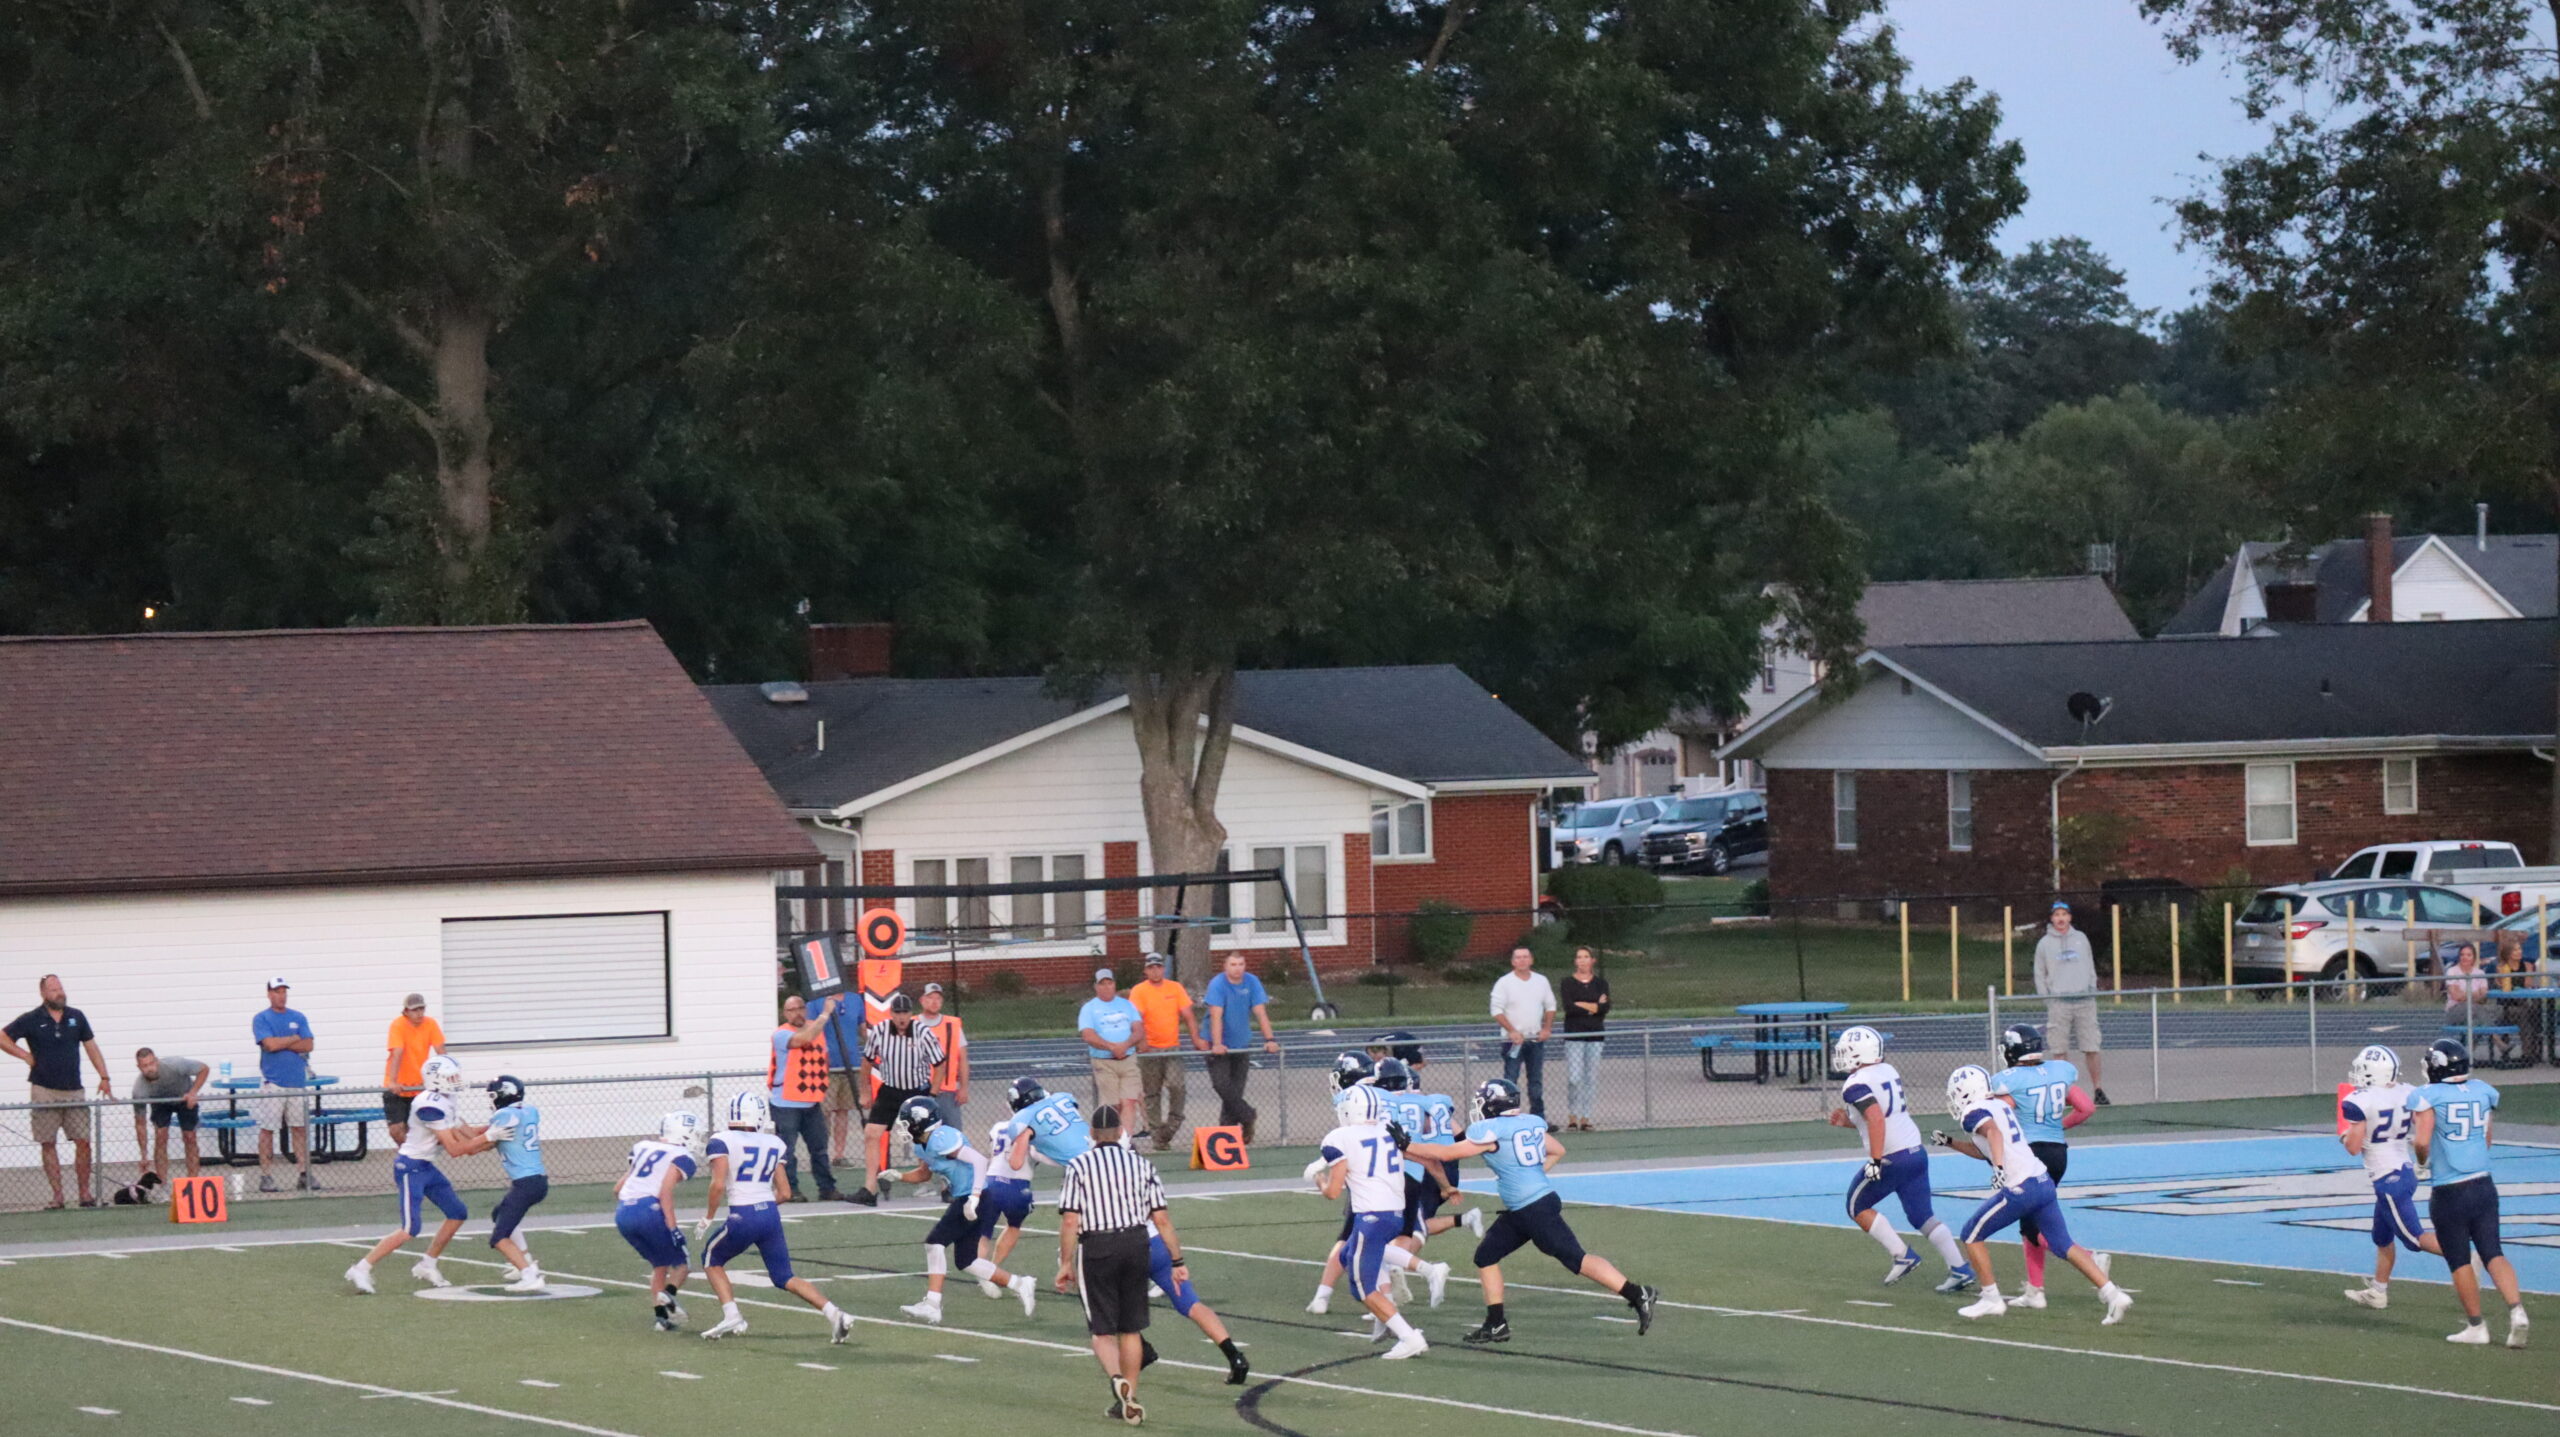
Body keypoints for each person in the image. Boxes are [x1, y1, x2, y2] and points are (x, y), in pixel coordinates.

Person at [1406, 1076, 1656, 1345]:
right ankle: (1496, 1323)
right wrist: (1534, 1175)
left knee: (1576, 1259)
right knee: (1486, 1255)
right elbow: (1557, 1150)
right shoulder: (1527, 1123)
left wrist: (1405, 1145)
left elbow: (1445, 1154)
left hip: (1533, 1209)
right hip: (1526, 1207)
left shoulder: (1493, 1130)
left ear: (1492, 1104)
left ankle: (1637, 1293)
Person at [1939, 1065, 2132, 1324]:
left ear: (1965, 1091)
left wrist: (1999, 1168)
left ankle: (1991, 1299)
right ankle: (2114, 1294)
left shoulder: (1973, 1112)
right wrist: (1949, 1142)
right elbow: (1985, 1148)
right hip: (2042, 1181)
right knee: (2063, 1245)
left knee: (1971, 1235)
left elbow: (1993, 1134)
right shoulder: (1999, 1106)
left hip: (2022, 1188)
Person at [1056, 1104, 1186, 1424]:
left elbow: (1071, 1219)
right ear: (1119, 1133)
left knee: (1102, 1330)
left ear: (1092, 1134)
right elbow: (1162, 1218)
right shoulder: (1142, 1164)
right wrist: (1177, 1260)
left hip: (1098, 1244)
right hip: (1136, 1243)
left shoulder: (1079, 1165)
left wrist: (1065, 1262)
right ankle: (1131, 1396)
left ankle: (1117, 1380)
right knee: (1131, 1328)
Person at [696, 1092, 857, 1344]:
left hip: (743, 1214)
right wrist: (762, 1206)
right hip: (769, 1215)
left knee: (711, 1259)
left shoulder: (722, 1140)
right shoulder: (772, 1142)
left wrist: (708, 1217)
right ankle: (835, 1313)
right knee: (784, 1276)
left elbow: (717, 1185)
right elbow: (785, 1193)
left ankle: (732, 1315)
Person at [1825, 1025, 1974, 1292]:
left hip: (1892, 1157)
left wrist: (1875, 1160)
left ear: (1859, 1053)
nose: (1842, 1056)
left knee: (1856, 1206)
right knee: (1922, 1216)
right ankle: (1960, 1268)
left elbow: (1876, 1118)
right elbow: (1880, 1115)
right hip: (1915, 1152)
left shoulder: (1855, 1083)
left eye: (1847, 1051)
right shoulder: (1888, 1070)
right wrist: (1848, 1122)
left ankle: (1902, 1254)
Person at [2410, 1038, 2530, 1347]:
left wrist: (2421, 1163)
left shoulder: (2427, 1096)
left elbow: (2421, 1141)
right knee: (2493, 1252)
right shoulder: (2482, 1090)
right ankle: (2517, 1310)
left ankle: (2477, 1326)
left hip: (2449, 1190)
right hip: (2483, 1185)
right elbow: (2486, 1139)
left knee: (2459, 1259)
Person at [885, 1095, 1039, 1324]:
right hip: (970, 1196)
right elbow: (924, 1174)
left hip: (977, 1196)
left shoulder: (942, 1138)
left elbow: (979, 1161)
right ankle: (1019, 1283)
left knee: (934, 1243)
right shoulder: (922, 1144)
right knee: (967, 1261)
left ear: (920, 1122)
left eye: (907, 1122)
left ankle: (932, 1305)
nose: (904, 1127)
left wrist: (974, 1198)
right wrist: (899, 1176)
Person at [343, 1055, 474, 1294]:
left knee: (457, 1213)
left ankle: (427, 1264)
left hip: (426, 1167)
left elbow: (470, 1133)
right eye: (451, 1076)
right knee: (410, 1228)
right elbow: (455, 1149)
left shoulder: (447, 1099)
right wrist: (491, 1138)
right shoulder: (428, 1104)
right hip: (410, 1167)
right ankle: (361, 1268)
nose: (456, 1080)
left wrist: (499, 1128)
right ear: (436, 1079)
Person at [1983, 1023, 2092, 1307]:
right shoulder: (2060, 1071)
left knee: (2032, 1228)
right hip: (2058, 1153)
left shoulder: (2008, 1080)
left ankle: (2086, 1258)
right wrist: (2057, 1127)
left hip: (2030, 1155)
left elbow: (1999, 1113)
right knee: (2033, 1224)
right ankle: (2035, 1291)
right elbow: (2086, 1108)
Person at [2336, 1045, 2441, 1311]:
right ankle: (2378, 1291)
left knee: (2414, 1239)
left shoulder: (2360, 1100)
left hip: (2388, 1180)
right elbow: (2424, 1122)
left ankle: (2466, 1257)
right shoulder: (2408, 1091)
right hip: (2403, 1170)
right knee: (2382, 1236)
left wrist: (2344, 1135)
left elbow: (2353, 1148)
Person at [1, 975, 111, 1208]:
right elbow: (3, 1037)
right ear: (43, 993)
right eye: (53, 989)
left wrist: (104, 1076)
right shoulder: (32, 1018)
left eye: (60, 988)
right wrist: (24, 1055)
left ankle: (85, 1194)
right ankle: (58, 1196)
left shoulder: (76, 1016)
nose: (59, 993)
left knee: (83, 1141)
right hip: (44, 1089)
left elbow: (91, 1046)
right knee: (48, 1142)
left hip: (74, 1090)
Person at [614, 1111, 703, 1330]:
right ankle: (668, 1295)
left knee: (659, 1265)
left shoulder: (643, 1147)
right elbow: (664, 1192)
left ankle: (661, 1319)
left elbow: (618, 1189)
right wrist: (673, 1227)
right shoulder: (682, 1156)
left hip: (623, 1213)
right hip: (649, 1211)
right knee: (682, 1265)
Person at [852, 992, 944, 1205]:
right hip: (890, 1090)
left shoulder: (922, 1032)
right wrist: (865, 1092)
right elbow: (866, 1063)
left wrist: (932, 1094)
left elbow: (940, 1064)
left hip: (916, 1091)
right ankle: (870, 1189)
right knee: (871, 1133)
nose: (901, 1018)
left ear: (911, 1014)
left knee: (928, 1140)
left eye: (905, 1013)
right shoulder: (880, 1031)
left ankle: (946, 1184)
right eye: (897, 1013)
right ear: (891, 1014)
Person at [464, 1074, 549, 1292]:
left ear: (503, 1095)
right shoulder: (529, 1110)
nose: (491, 1100)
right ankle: (525, 1261)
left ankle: (529, 1275)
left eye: (493, 1095)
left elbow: (477, 1147)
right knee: (498, 1213)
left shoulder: (503, 1115)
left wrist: (461, 1137)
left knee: (499, 1238)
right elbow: (486, 1133)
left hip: (526, 1183)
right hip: (537, 1181)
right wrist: (461, 1128)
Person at [1145, 1228, 1252, 1384]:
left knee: (1113, 1303)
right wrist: (1177, 1260)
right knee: (1192, 1304)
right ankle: (1235, 1357)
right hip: (1158, 1244)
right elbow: (1163, 1221)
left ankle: (1141, 1348)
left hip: (1127, 1246)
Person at [768, 992, 844, 1203]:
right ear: (785, 1014)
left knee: (819, 1148)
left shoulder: (815, 1028)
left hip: (811, 1100)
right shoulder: (781, 1034)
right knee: (787, 1150)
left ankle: (827, 1188)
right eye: (792, 1010)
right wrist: (825, 1014)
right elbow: (803, 1039)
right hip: (785, 1102)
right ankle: (789, 1189)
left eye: (800, 1008)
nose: (797, 1013)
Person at [1199, 953, 1279, 1143]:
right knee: (1221, 1084)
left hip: (1241, 1043)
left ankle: (1227, 1135)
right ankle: (1247, 1114)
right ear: (1225, 967)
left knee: (1235, 1090)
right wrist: (1217, 1044)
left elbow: (1260, 1012)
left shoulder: (1252, 982)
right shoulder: (1218, 984)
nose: (1237, 968)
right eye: (1233, 964)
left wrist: (1270, 1039)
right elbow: (1216, 1016)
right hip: (1219, 1043)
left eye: (1241, 964)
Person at [2033, 903, 2107, 1104]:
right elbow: (2040, 974)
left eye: (2064, 914)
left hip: (2084, 1001)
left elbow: (2090, 967)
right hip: (2059, 1003)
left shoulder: (2081, 939)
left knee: (2091, 1046)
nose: (2061, 918)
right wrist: (2047, 999)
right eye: (2057, 915)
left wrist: (2091, 988)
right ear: (2052, 918)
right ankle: (2063, 1093)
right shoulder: (2044, 944)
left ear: (2070, 917)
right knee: (2059, 1049)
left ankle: (2098, 1089)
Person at [251, 977, 318, 1193]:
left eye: (283, 991)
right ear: (269, 994)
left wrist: (283, 1042)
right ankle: (266, 1175)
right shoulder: (262, 1018)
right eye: (277, 991)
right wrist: (293, 1039)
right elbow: (269, 1045)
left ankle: (304, 1173)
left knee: (299, 1128)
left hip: (297, 1082)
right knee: (268, 1129)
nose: (281, 996)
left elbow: (308, 1044)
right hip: (273, 1082)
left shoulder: (298, 1017)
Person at [1129, 954, 1201, 1152]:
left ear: (1163, 969)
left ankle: (1173, 1124)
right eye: (1151, 968)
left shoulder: (1175, 988)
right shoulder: (1139, 991)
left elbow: (1188, 1015)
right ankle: (1157, 1136)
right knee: (1152, 1093)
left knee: (1177, 1085)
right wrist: (1142, 1042)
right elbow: (1136, 1019)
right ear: (1146, 970)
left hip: (1171, 1047)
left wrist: (1196, 1039)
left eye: (1158, 967)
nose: (1155, 971)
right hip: (1150, 1050)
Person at [1488, 945, 1556, 1118]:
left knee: (1535, 1081)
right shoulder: (1504, 983)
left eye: (1525, 957)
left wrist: (1546, 1028)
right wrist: (1511, 1031)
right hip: (1513, 1042)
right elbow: (1496, 1010)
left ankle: (1538, 1117)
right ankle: (1507, 1116)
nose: (1522, 960)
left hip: (1535, 1040)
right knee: (1510, 1080)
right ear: (1513, 962)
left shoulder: (1541, 981)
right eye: (1518, 957)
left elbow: (1550, 1006)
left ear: (1531, 960)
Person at [1079, 968, 1145, 1141]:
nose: (1107, 987)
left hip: (1128, 1059)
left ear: (1114, 984)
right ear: (1096, 987)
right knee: (1113, 1105)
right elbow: (1088, 1035)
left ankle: (1126, 1141)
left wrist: (1125, 1045)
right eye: (1102, 984)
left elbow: (1138, 1030)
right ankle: (1110, 1140)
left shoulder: (1127, 1005)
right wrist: (1111, 1047)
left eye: (1109, 983)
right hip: (1104, 1062)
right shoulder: (1089, 1008)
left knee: (1129, 1101)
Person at [129, 1048, 211, 1182]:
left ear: (156, 1061)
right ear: (139, 1067)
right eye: (145, 1066)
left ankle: (193, 1182)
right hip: (160, 1102)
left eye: (151, 1063)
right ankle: (162, 1182)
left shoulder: (175, 1064)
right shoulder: (139, 1090)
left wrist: (193, 1092)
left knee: (190, 1137)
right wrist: (144, 1155)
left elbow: (204, 1069)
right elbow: (140, 1124)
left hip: (185, 1098)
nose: (150, 1069)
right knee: (161, 1136)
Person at [381, 993, 446, 1145]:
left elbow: (441, 1051)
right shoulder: (398, 1025)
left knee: (420, 1129)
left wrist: (445, 1077)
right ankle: (409, 1154)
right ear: (406, 1011)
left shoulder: (430, 1024)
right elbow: (397, 1052)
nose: (419, 1013)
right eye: (415, 1010)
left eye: (421, 1009)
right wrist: (393, 1081)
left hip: (418, 1087)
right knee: (397, 1130)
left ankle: (416, 1154)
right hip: (398, 1087)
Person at [1557, 948, 1610, 1131]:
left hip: (1595, 1035)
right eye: (1579, 957)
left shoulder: (1600, 984)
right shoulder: (1568, 983)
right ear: (1575, 961)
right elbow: (1569, 1007)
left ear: (1592, 960)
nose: (1582, 960)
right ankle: (1572, 1115)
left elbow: (1604, 1008)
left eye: (1586, 957)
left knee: (1590, 1077)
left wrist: (1584, 1005)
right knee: (1575, 1077)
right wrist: (1593, 1006)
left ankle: (1586, 1117)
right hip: (1574, 1034)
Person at [916, 982, 970, 1131]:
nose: (934, 1002)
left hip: (948, 1092)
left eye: (938, 998)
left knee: (953, 1135)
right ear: (922, 1000)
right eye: (930, 998)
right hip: (920, 1091)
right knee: (923, 1136)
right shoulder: (913, 1024)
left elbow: (962, 1059)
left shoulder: (953, 1024)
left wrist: (964, 1087)